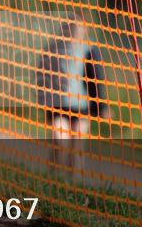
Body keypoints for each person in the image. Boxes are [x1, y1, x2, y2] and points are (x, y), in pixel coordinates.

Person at [36, 15, 109, 176]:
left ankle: (74, 182)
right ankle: (53, 177)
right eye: (70, 27)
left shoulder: (88, 50)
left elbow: (95, 79)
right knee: (59, 140)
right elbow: (42, 74)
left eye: (77, 28)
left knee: (76, 148)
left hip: (81, 107)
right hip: (58, 105)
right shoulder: (53, 48)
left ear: (83, 31)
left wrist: (101, 106)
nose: (73, 31)